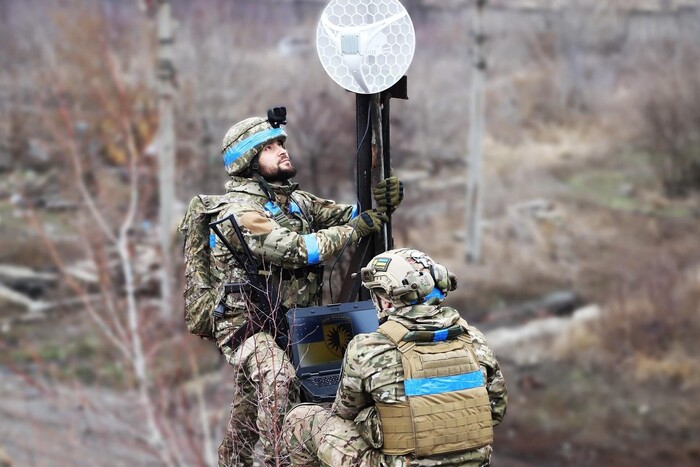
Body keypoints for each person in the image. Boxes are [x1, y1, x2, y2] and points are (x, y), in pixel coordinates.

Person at [210, 108, 404, 467]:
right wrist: (355, 229)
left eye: (281, 142)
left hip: (291, 321)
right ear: (247, 161)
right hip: (247, 324)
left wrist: (381, 201)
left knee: (255, 403)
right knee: (278, 379)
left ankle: (232, 461)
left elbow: (348, 214)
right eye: (269, 147)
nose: (282, 150)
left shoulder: (296, 202)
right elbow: (296, 250)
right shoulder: (238, 211)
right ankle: (277, 461)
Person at [283, 248, 508, 467]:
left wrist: (378, 418)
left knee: (302, 417)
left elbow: (345, 412)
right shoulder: (474, 339)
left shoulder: (367, 347)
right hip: (474, 462)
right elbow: (496, 410)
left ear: (388, 302)